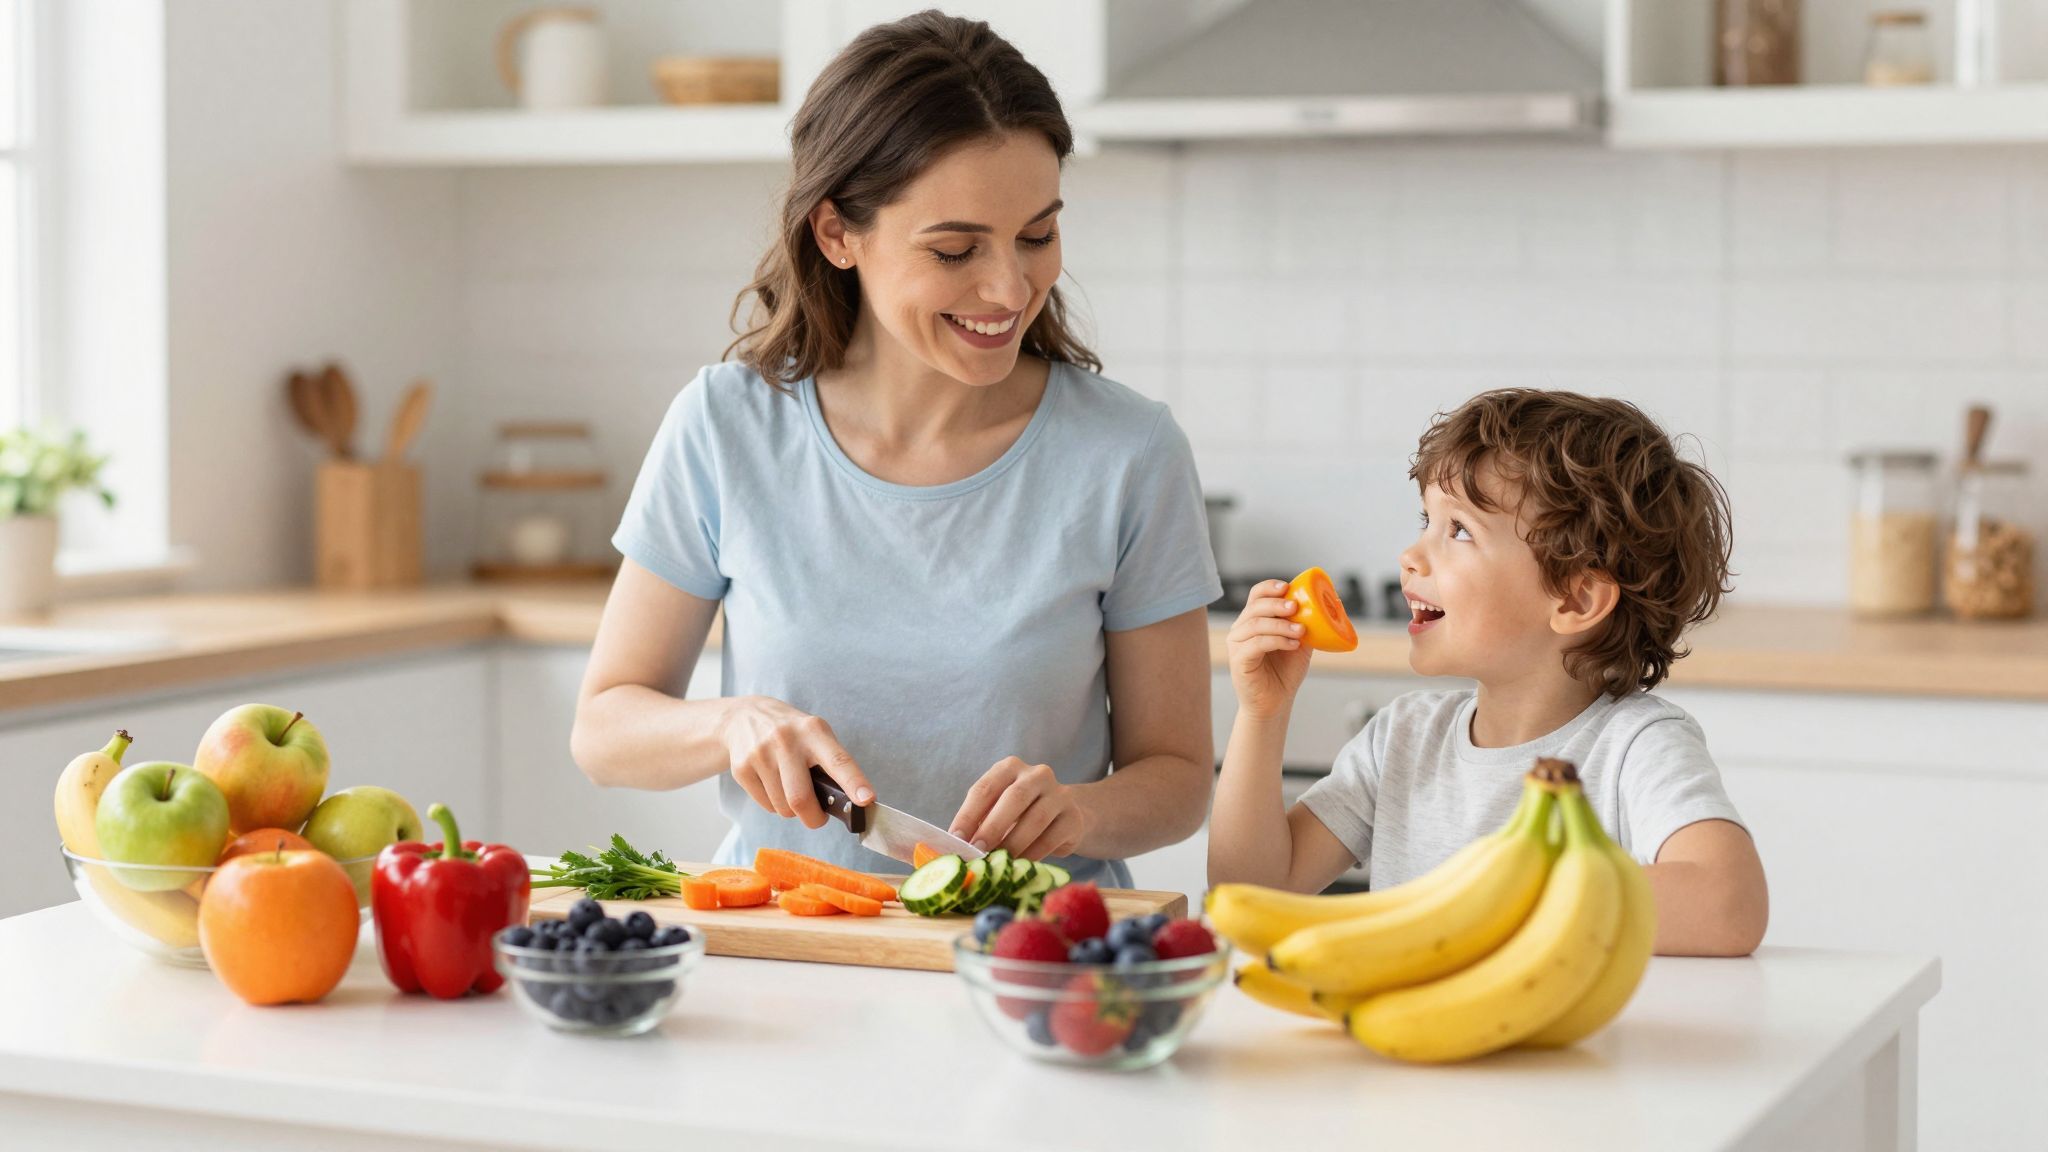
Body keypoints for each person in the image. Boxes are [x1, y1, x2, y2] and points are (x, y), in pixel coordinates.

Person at [571, 11, 1221, 887]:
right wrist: (731, 725)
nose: (1009, 286)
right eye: (956, 249)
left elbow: (1179, 779)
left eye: (1038, 236)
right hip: (793, 950)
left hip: (1031, 965)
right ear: (838, 234)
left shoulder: (1129, 454)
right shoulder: (726, 427)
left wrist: (1079, 812)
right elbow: (605, 728)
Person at [1209, 389, 1769, 955]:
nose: (1410, 554)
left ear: (1575, 600)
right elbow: (1250, 893)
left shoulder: (1636, 748)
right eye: (1427, 519)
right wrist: (1263, 714)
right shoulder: (1402, 739)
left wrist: (1498, 901)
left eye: (1458, 531)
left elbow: (1730, 907)